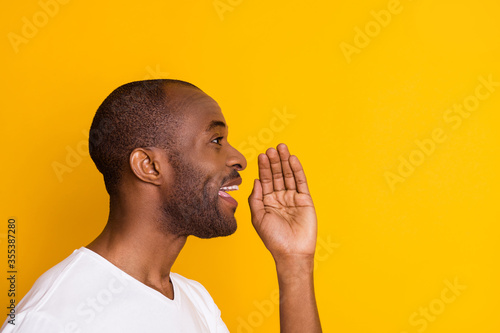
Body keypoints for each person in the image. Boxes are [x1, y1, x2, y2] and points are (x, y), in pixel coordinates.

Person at [1, 80, 322, 332]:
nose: (238, 158)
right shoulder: (53, 320)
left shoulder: (196, 301)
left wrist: (294, 263)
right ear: (149, 167)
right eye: (215, 141)